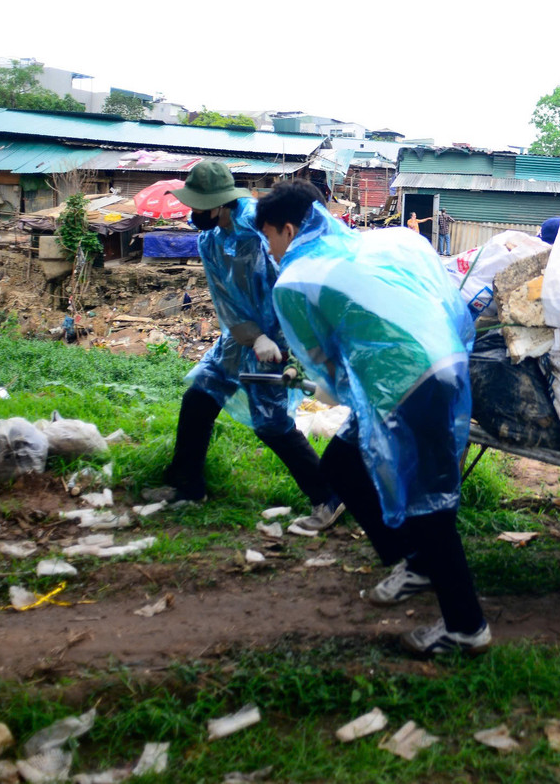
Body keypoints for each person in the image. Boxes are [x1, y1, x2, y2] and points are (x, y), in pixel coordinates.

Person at [256, 179, 490, 655]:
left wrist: (327, 385)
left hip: (404, 383)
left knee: (427, 504)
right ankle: (415, 561)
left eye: (269, 239)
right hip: (441, 364)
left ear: (287, 229)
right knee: (340, 465)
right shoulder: (379, 242)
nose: (270, 251)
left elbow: (325, 365)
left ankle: (466, 627)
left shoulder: (296, 279)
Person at [150, 163, 343, 532]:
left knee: (271, 424)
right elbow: (224, 299)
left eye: (200, 205)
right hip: (240, 339)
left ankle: (329, 497)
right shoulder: (209, 239)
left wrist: (283, 339)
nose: (194, 213)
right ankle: (188, 486)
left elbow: (293, 278)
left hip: (279, 339)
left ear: (221, 203)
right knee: (198, 399)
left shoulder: (261, 228)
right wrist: (252, 336)